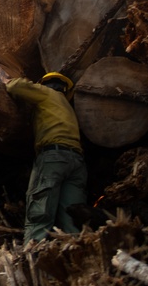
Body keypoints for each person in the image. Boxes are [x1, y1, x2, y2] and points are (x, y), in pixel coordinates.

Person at [6, 71, 87, 243]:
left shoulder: (46, 94)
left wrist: (9, 81)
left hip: (53, 158)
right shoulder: (67, 106)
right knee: (71, 216)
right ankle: (75, 257)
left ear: (44, 84)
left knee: (40, 212)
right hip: (76, 162)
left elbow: (15, 86)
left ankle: (32, 256)